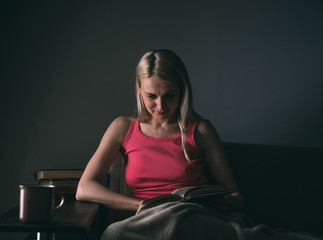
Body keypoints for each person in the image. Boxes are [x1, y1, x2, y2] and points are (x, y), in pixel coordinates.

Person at [76, 49, 244, 230]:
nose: (160, 106)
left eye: (169, 95)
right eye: (152, 96)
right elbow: (85, 189)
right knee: (114, 233)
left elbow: (236, 195)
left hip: (191, 216)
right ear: (139, 86)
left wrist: (230, 202)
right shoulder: (123, 127)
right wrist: (142, 205)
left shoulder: (201, 131)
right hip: (147, 219)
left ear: (182, 89)